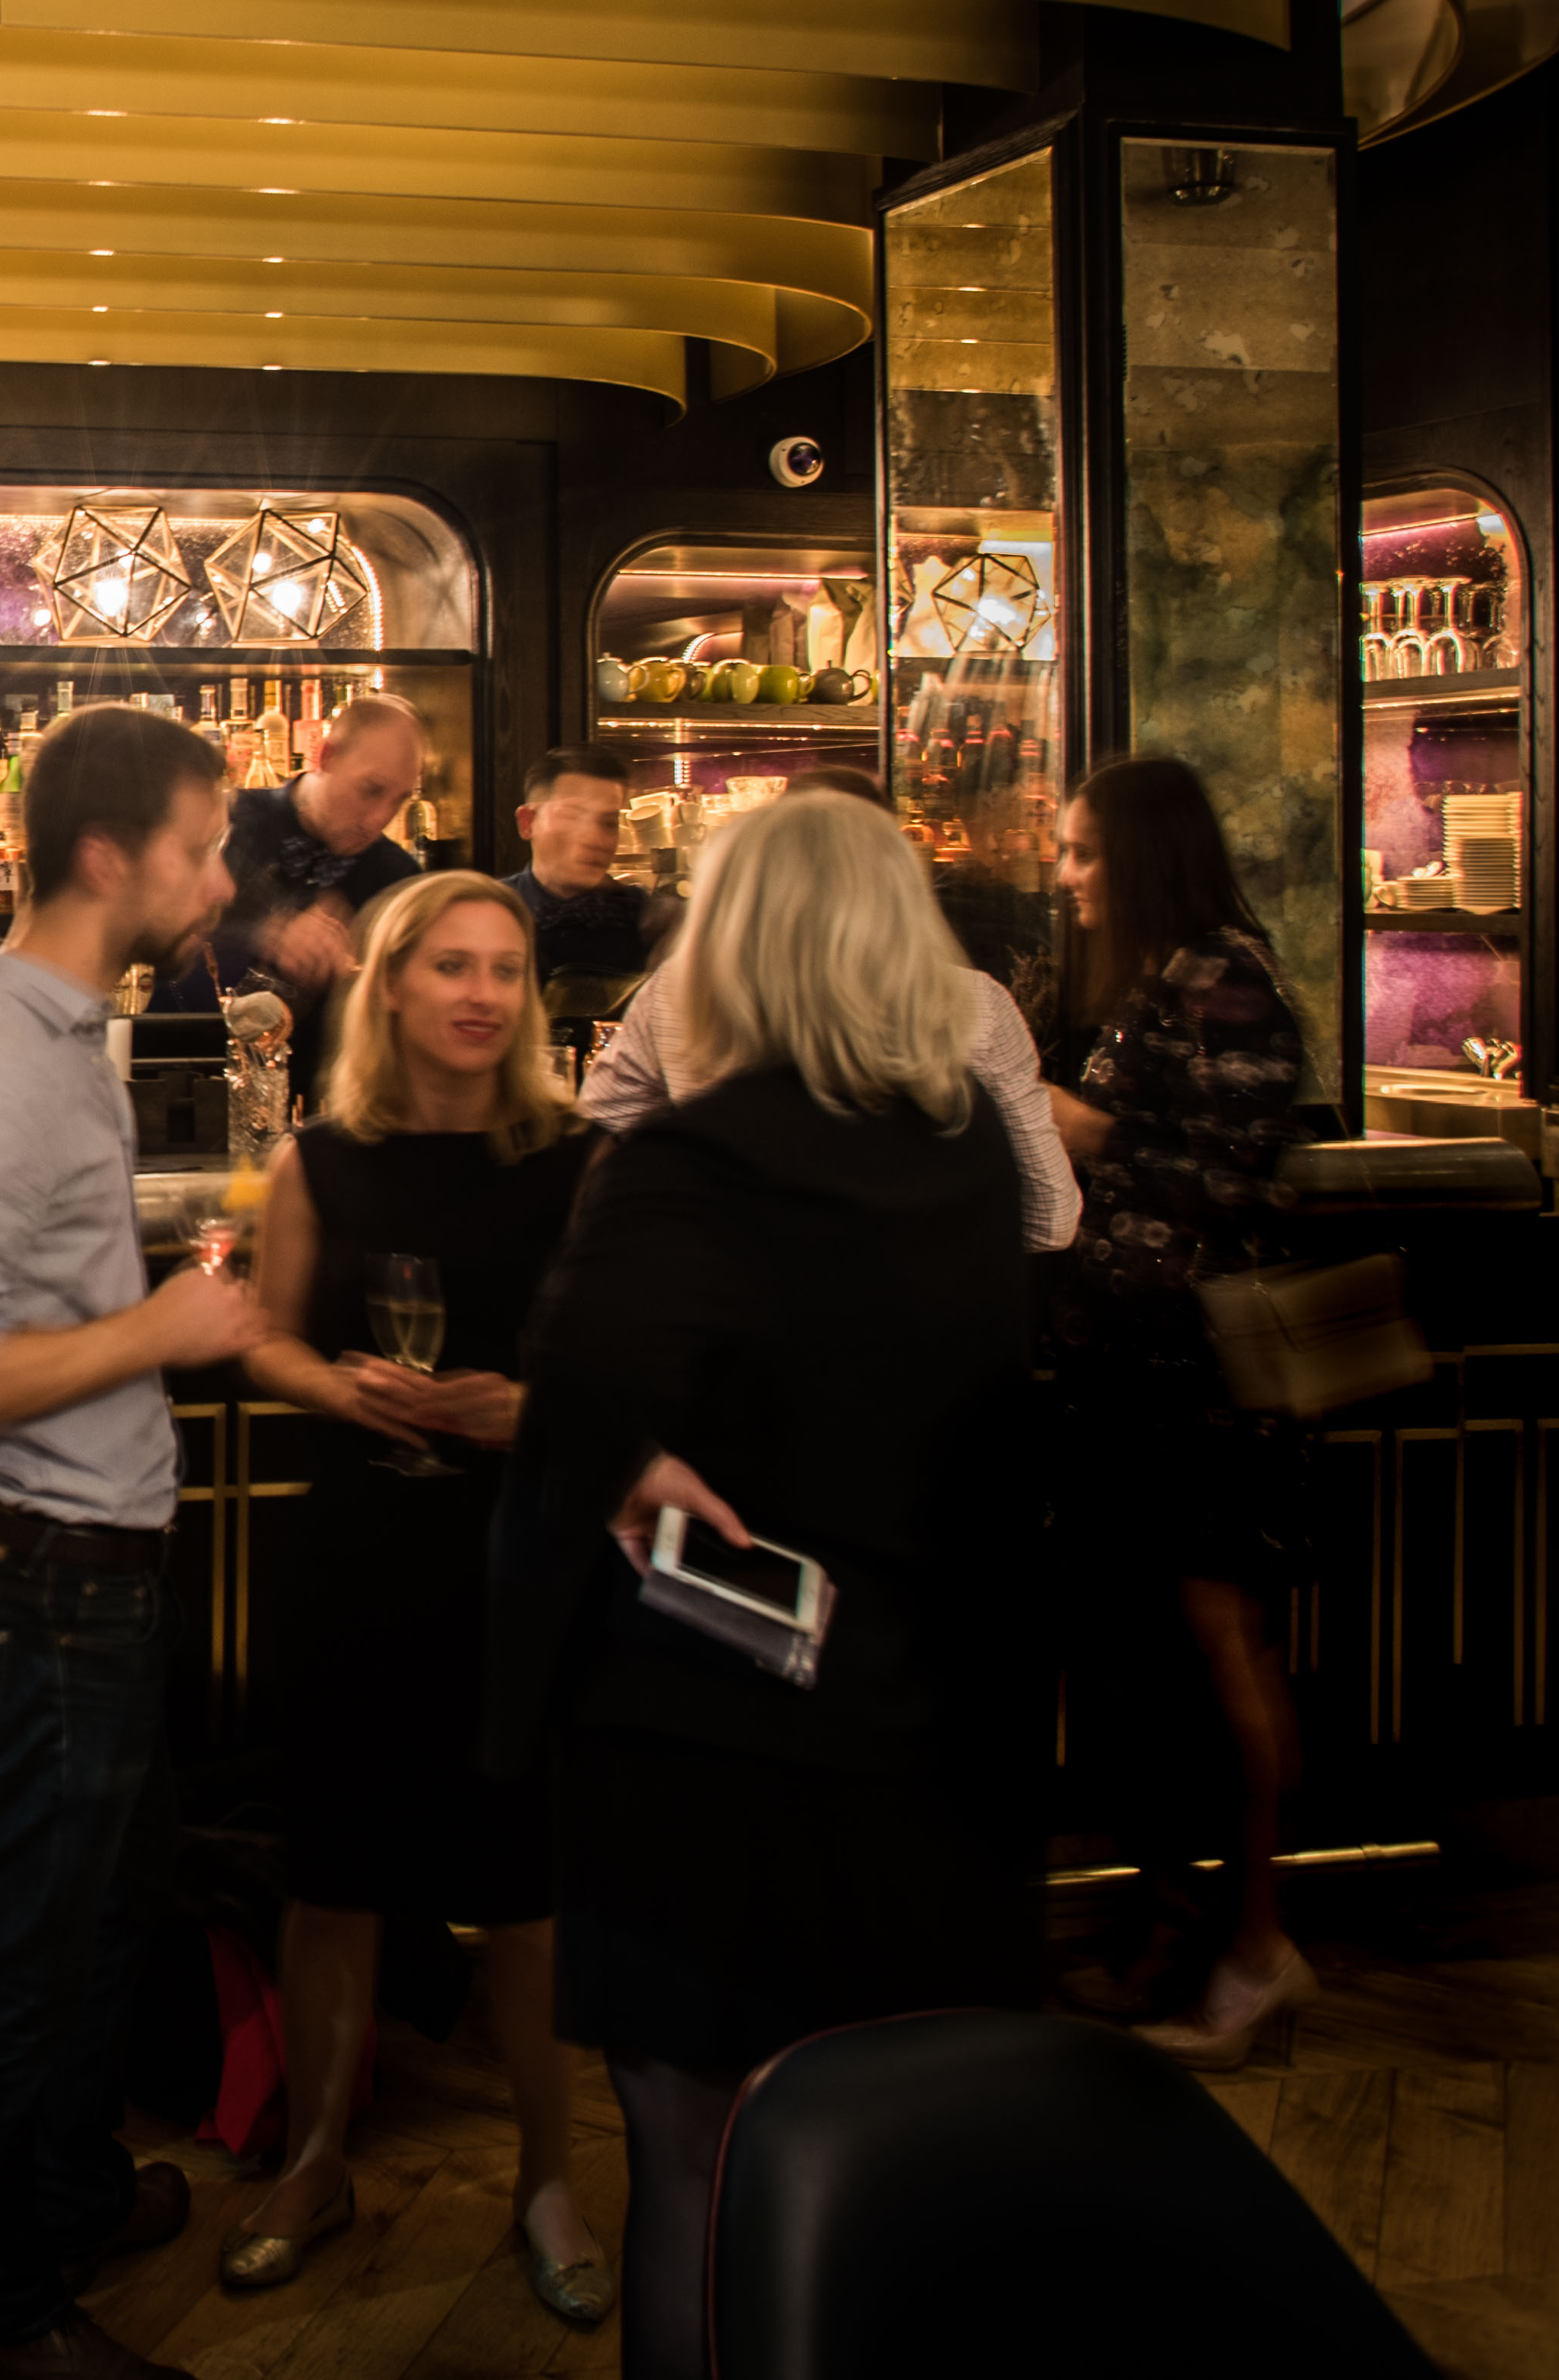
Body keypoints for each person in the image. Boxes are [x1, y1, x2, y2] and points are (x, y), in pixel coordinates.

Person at [485, 790, 1039, 2380]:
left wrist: (620, 1472)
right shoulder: (964, 1144)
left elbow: (574, 1390)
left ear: (728, 946)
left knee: (690, 2160)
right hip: (913, 1714)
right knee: (872, 2149)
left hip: (706, 1722)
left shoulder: (694, 1155)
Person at [0, 704, 266, 2380]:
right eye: (200, 847)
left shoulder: (59, 1037)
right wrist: (161, 1331)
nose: (223, 879)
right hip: (33, 1583)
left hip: (88, 1569)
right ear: (108, 856)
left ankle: (64, 2196)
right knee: (17, 1962)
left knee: (101, 1922)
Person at [224, 874, 610, 2328]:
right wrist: (340, 1388)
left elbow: (625, 1372)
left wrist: (534, 1413)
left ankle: (549, 2182)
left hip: (516, 1558)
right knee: (334, 1878)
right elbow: (265, 1340)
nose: (482, 995)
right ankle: (315, 2162)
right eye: (451, 966)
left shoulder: (579, 1161)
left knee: (526, 1894)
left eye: (505, 970)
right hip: (358, 1553)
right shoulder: (322, 1160)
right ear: (389, 985)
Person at [1036, 754, 1316, 2071]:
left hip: (1204, 1378)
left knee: (1221, 1648)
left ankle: (1256, 1946)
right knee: (1156, 1669)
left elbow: (1243, 1179)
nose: (1066, 874)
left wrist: (1084, 1132)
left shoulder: (1226, 977)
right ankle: (1176, 1933)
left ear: (1146, 853)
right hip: (1131, 1369)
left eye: (1085, 850)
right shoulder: (1158, 980)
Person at [579, 771, 1083, 1255]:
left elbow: (595, 1136)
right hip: (912, 1299)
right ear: (898, 877)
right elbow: (1050, 1219)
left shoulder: (682, 990)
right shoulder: (975, 1004)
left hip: (729, 1290)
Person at [174, 692, 433, 1096]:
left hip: (335, 1108)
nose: (380, 818)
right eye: (371, 790)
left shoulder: (400, 881)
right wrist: (263, 936)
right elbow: (147, 943)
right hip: (190, 1090)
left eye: (399, 800)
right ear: (326, 757)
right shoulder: (226, 823)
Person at [502, 747, 668, 1007]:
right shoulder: (491, 914)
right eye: (573, 817)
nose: (594, 839)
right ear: (528, 823)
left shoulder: (655, 924)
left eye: (608, 823)